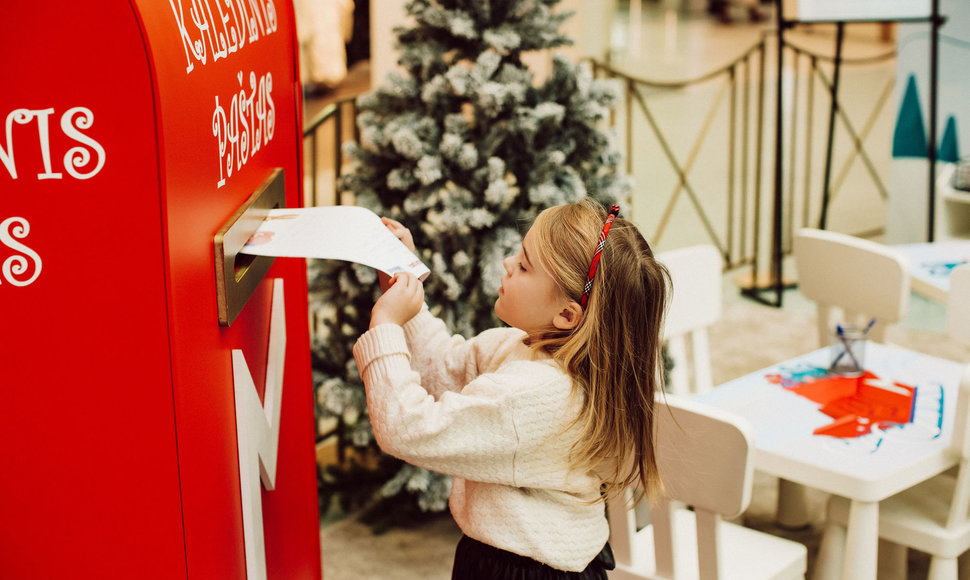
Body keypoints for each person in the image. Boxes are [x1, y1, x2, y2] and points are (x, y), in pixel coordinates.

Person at [353, 199, 671, 579]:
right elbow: (444, 366)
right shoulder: (527, 347)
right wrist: (404, 286)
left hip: (521, 571)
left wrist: (385, 325)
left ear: (567, 315)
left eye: (523, 265)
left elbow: (408, 429)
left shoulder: (535, 395)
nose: (506, 264)